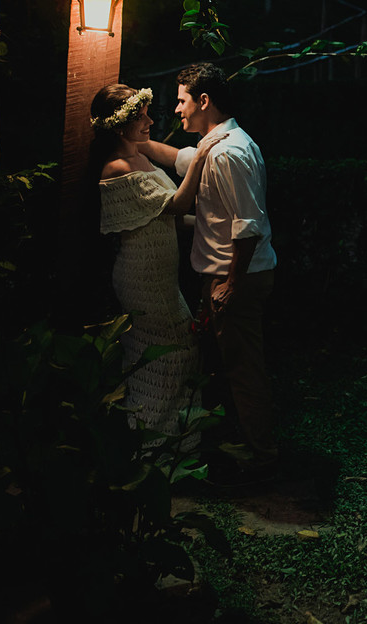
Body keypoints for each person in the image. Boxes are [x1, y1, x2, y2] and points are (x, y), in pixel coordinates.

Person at [137, 63, 280, 471]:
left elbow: (247, 224)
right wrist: (137, 143)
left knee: (244, 368)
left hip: (237, 277)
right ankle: (249, 445)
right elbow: (183, 159)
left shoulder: (228, 154)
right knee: (233, 365)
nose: (177, 110)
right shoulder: (216, 145)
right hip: (230, 275)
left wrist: (230, 284)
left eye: (182, 101)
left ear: (204, 101)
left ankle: (262, 458)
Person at [90, 83, 226, 453]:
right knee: (171, 350)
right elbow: (176, 206)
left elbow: (166, 219)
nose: (150, 121)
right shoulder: (117, 168)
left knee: (176, 349)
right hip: (141, 277)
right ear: (120, 128)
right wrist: (200, 157)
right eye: (141, 117)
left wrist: (215, 225)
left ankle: (167, 440)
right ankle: (151, 442)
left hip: (159, 275)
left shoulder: (139, 155)